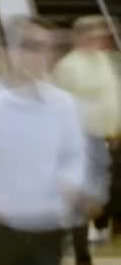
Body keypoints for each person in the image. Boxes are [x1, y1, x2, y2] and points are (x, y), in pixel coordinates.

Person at [0, 17, 99, 265]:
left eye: (44, 47)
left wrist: (70, 182)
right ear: (7, 52)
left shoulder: (63, 106)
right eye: (29, 46)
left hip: (44, 229)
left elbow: (74, 154)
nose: (37, 55)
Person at [53, 16, 120, 265]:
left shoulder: (104, 61)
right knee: (80, 199)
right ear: (81, 37)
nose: (100, 40)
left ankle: (83, 234)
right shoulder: (68, 66)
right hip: (79, 141)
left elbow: (113, 96)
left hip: (106, 138)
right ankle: (81, 251)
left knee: (103, 195)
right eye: (94, 35)